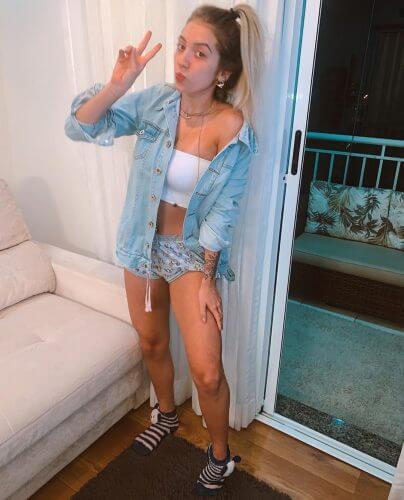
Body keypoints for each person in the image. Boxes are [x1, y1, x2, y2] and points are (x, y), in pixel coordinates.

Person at [65, 3, 264, 496]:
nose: (183, 60)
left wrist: (208, 281)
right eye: (181, 47)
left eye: (200, 53)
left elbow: (224, 213)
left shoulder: (232, 128)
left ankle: (220, 457)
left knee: (208, 372)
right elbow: (81, 126)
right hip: (142, 244)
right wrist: (117, 86)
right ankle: (167, 416)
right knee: (152, 344)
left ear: (223, 72)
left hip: (191, 255)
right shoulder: (156, 102)